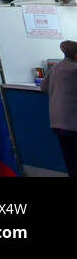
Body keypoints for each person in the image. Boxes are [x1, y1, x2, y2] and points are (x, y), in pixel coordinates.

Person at [42, 40, 77, 177]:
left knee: (71, 160)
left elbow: (43, 87)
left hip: (58, 123)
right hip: (73, 123)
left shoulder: (55, 68)